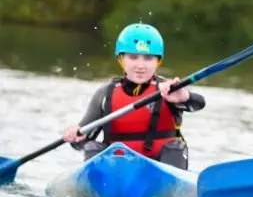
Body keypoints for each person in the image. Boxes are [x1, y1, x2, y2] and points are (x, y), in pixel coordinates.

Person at [61, 23, 205, 170]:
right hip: (117, 169)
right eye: (133, 57)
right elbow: (81, 143)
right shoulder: (105, 94)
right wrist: (75, 137)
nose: (140, 65)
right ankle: (95, 187)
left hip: (160, 169)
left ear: (158, 61)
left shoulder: (170, 91)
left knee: (176, 147)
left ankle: (170, 189)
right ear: (121, 58)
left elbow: (199, 103)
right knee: (93, 147)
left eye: (148, 58)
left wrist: (183, 97)